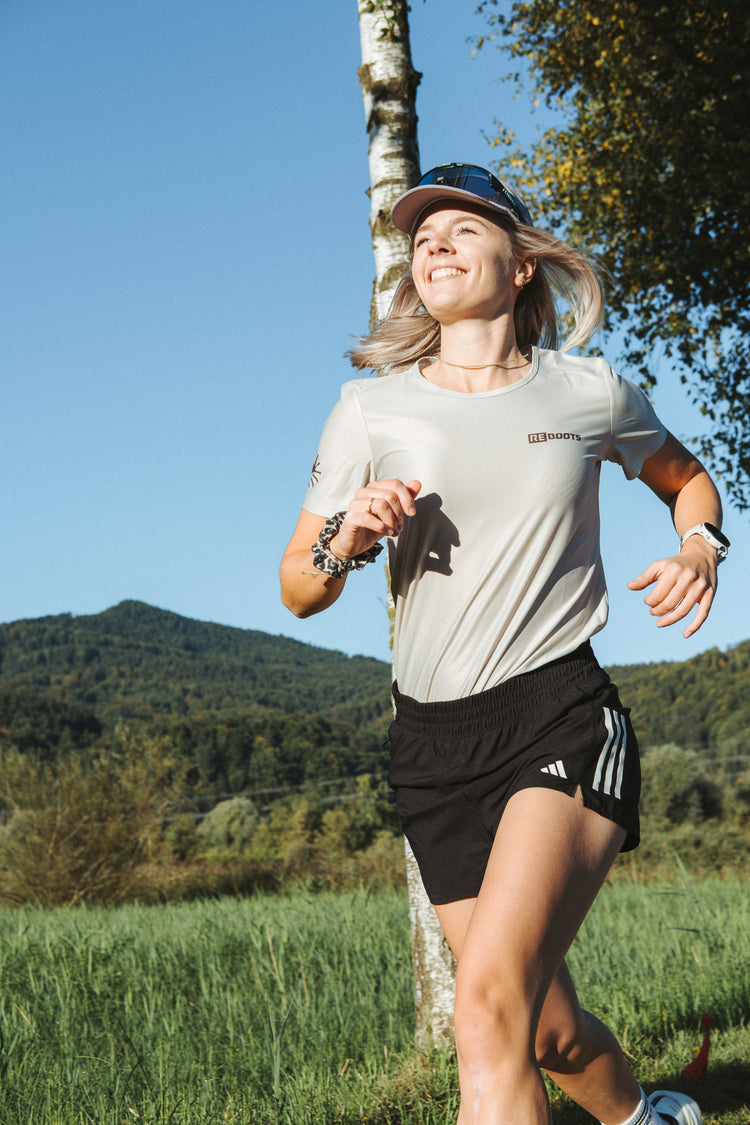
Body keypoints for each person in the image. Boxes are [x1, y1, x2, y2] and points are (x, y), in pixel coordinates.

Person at [280, 163, 727, 1125]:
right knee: (541, 1029)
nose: (434, 243)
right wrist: (345, 537)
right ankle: (643, 1116)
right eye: (422, 234)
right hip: (431, 749)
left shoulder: (590, 392)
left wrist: (701, 544)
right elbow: (299, 588)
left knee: (484, 1014)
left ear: (521, 265)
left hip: (556, 715)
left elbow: (689, 479)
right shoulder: (372, 409)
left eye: (462, 230)